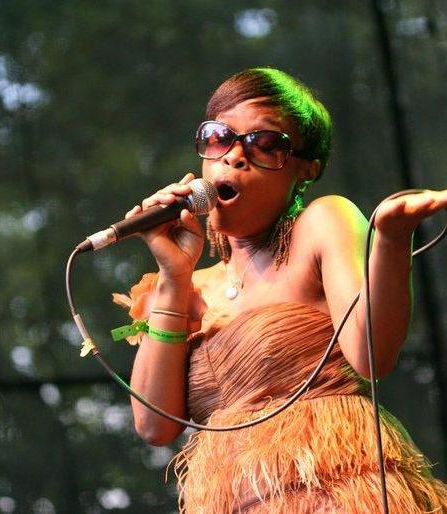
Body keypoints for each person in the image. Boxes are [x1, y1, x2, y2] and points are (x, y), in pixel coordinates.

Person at [113, 67, 447, 512]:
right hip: (238, 500)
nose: (235, 156)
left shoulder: (322, 224)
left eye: (265, 144)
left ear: (305, 171)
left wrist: (390, 239)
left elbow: (373, 357)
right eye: (219, 137)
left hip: (336, 492)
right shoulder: (182, 288)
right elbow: (154, 426)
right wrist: (174, 276)